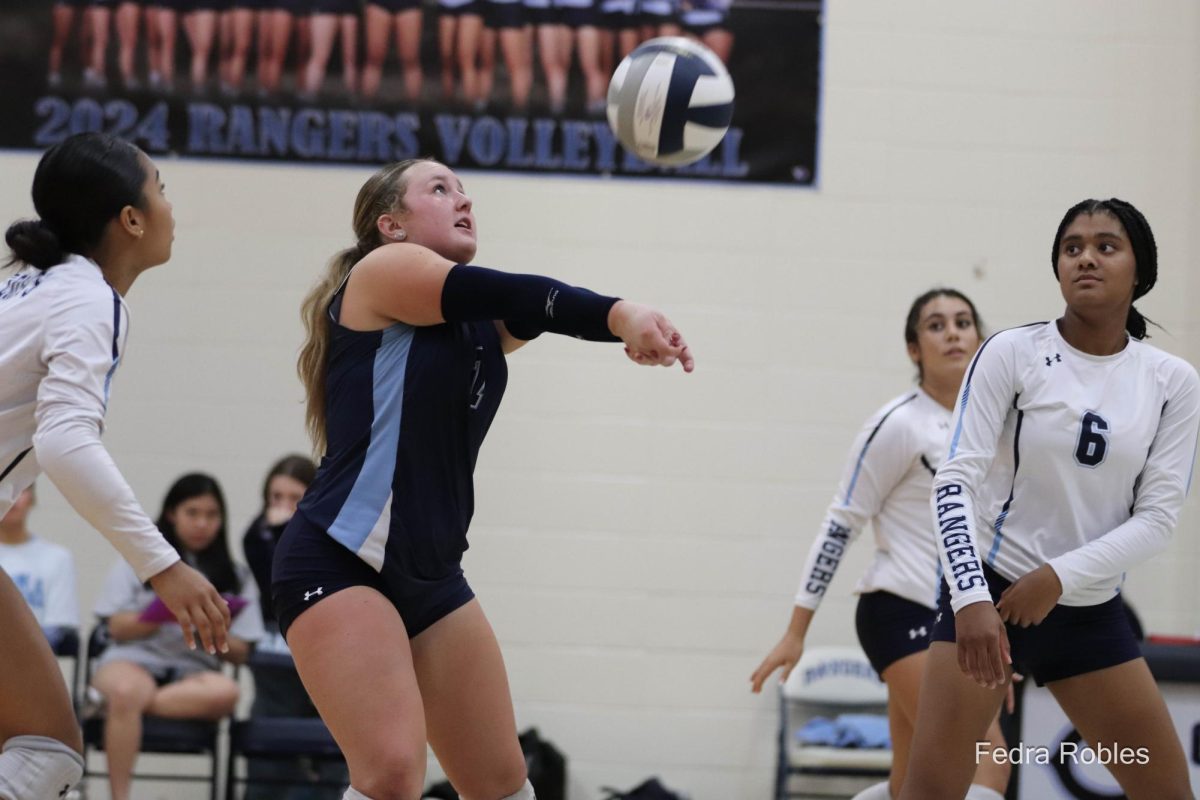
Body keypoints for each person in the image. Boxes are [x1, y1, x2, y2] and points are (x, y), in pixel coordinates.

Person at [274, 158, 692, 800]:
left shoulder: (472, 322)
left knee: (502, 786)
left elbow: (536, 311)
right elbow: (522, 294)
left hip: (431, 573)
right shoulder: (381, 272)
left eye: (464, 190)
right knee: (390, 776)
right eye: (439, 189)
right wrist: (621, 313)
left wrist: (621, 332)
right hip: (340, 558)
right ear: (391, 224)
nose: (463, 200)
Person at [898, 199, 1200, 800]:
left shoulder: (1173, 382)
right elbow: (953, 482)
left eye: (1105, 246)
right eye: (1072, 247)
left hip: (1088, 616)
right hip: (991, 601)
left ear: (1140, 271)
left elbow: (1158, 521)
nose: (1086, 257)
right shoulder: (1012, 352)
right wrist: (970, 598)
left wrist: (1059, 578)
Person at [0, 131, 231, 799]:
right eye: (160, 188)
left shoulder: (29, 285)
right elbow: (67, 443)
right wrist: (164, 567)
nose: (169, 206)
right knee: (46, 750)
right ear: (130, 219)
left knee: (43, 747)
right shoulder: (87, 297)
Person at [750, 289, 1010, 800]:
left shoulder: (998, 427)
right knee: (987, 762)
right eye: (936, 325)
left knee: (912, 778)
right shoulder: (899, 424)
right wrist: (795, 630)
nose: (953, 332)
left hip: (961, 616)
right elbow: (841, 522)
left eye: (963, 321)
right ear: (914, 349)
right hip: (900, 611)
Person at [91, 473, 265, 800]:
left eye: (211, 515)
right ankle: (119, 796)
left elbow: (241, 651)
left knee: (227, 693)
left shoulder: (236, 575)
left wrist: (207, 626)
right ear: (172, 514)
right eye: (192, 513)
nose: (202, 524)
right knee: (127, 688)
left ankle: (114, 708)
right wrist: (164, 613)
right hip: (133, 662)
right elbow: (115, 627)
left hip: (193, 674)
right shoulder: (138, 561)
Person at [242, 454, 348, 799]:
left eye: (293, 499)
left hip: (326, 650)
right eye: (276, 498)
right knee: (270, 751)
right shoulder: (256, 537)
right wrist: (276, 532)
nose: (282, 507)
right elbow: (273, 585)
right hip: (277, 648)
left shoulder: (334, 533)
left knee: (333, 749)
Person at [0, 485, 79, 640]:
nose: (11, 498)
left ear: (32, 499)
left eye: (20, 489)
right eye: (3, 489)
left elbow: (57, 627)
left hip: (30, 658)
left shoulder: (58, 558)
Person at [361, 0, 424, 104]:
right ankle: (366, 108)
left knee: (411, 61)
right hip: (379, 5)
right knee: (373, 60)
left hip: (409, 5)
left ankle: (414, 108)